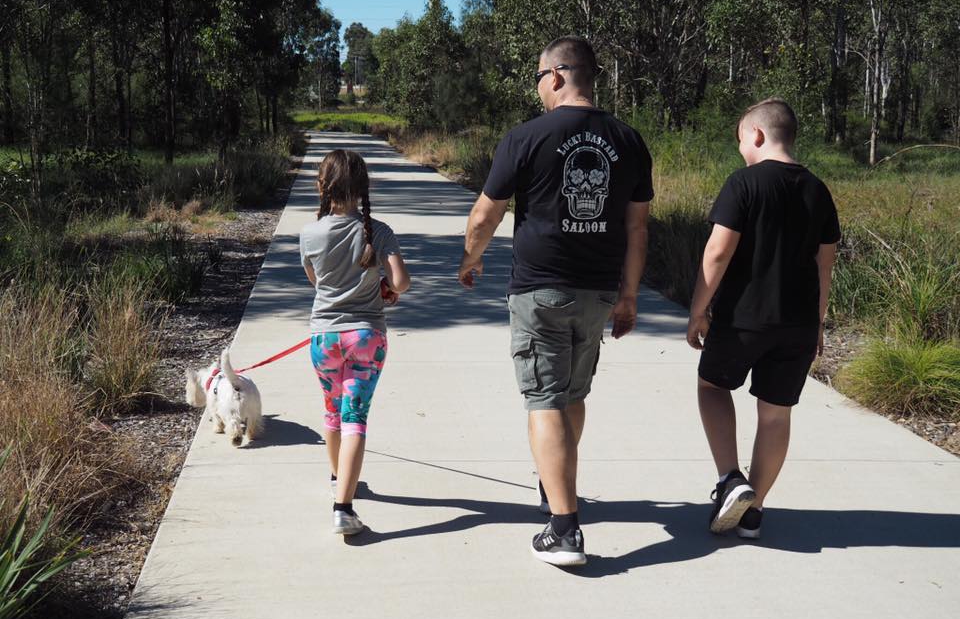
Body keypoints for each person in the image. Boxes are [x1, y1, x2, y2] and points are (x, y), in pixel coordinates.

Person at [458, 36, 653, 567]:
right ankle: (555, 486)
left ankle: (563, 530)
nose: (539, 88)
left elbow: (484, 215)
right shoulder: (629, 140)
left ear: (560, 75)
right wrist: (630, 295)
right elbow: (638, 228)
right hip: (598, 292)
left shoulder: (525, 137)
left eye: (540, 78)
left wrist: (471, 259)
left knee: (543, 399)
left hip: (539, 290)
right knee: (571, 393)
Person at [686, 98, 840, 539]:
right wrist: (819, 324)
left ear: (756, 134)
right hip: (797, 324)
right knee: (776, 415)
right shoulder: (818, 189)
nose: (741, 150)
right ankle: (754, 512)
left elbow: (718, 251)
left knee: (712, 387)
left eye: (740, 140)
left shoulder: (744, 184)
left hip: (743, 318)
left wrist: (698, 311)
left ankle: (731, 480)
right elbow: (825, 263)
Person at [300, 149, 410, 536]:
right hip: (366, 336)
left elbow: (318, 284)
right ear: (363, 189)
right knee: (355, 417)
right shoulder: (378, 231)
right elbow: (400, 283)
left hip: (324, 336)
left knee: (332, 412)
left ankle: (338, 477)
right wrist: (383, 289)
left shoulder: (309, 233)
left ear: (322, 186)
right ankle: (343, 507)